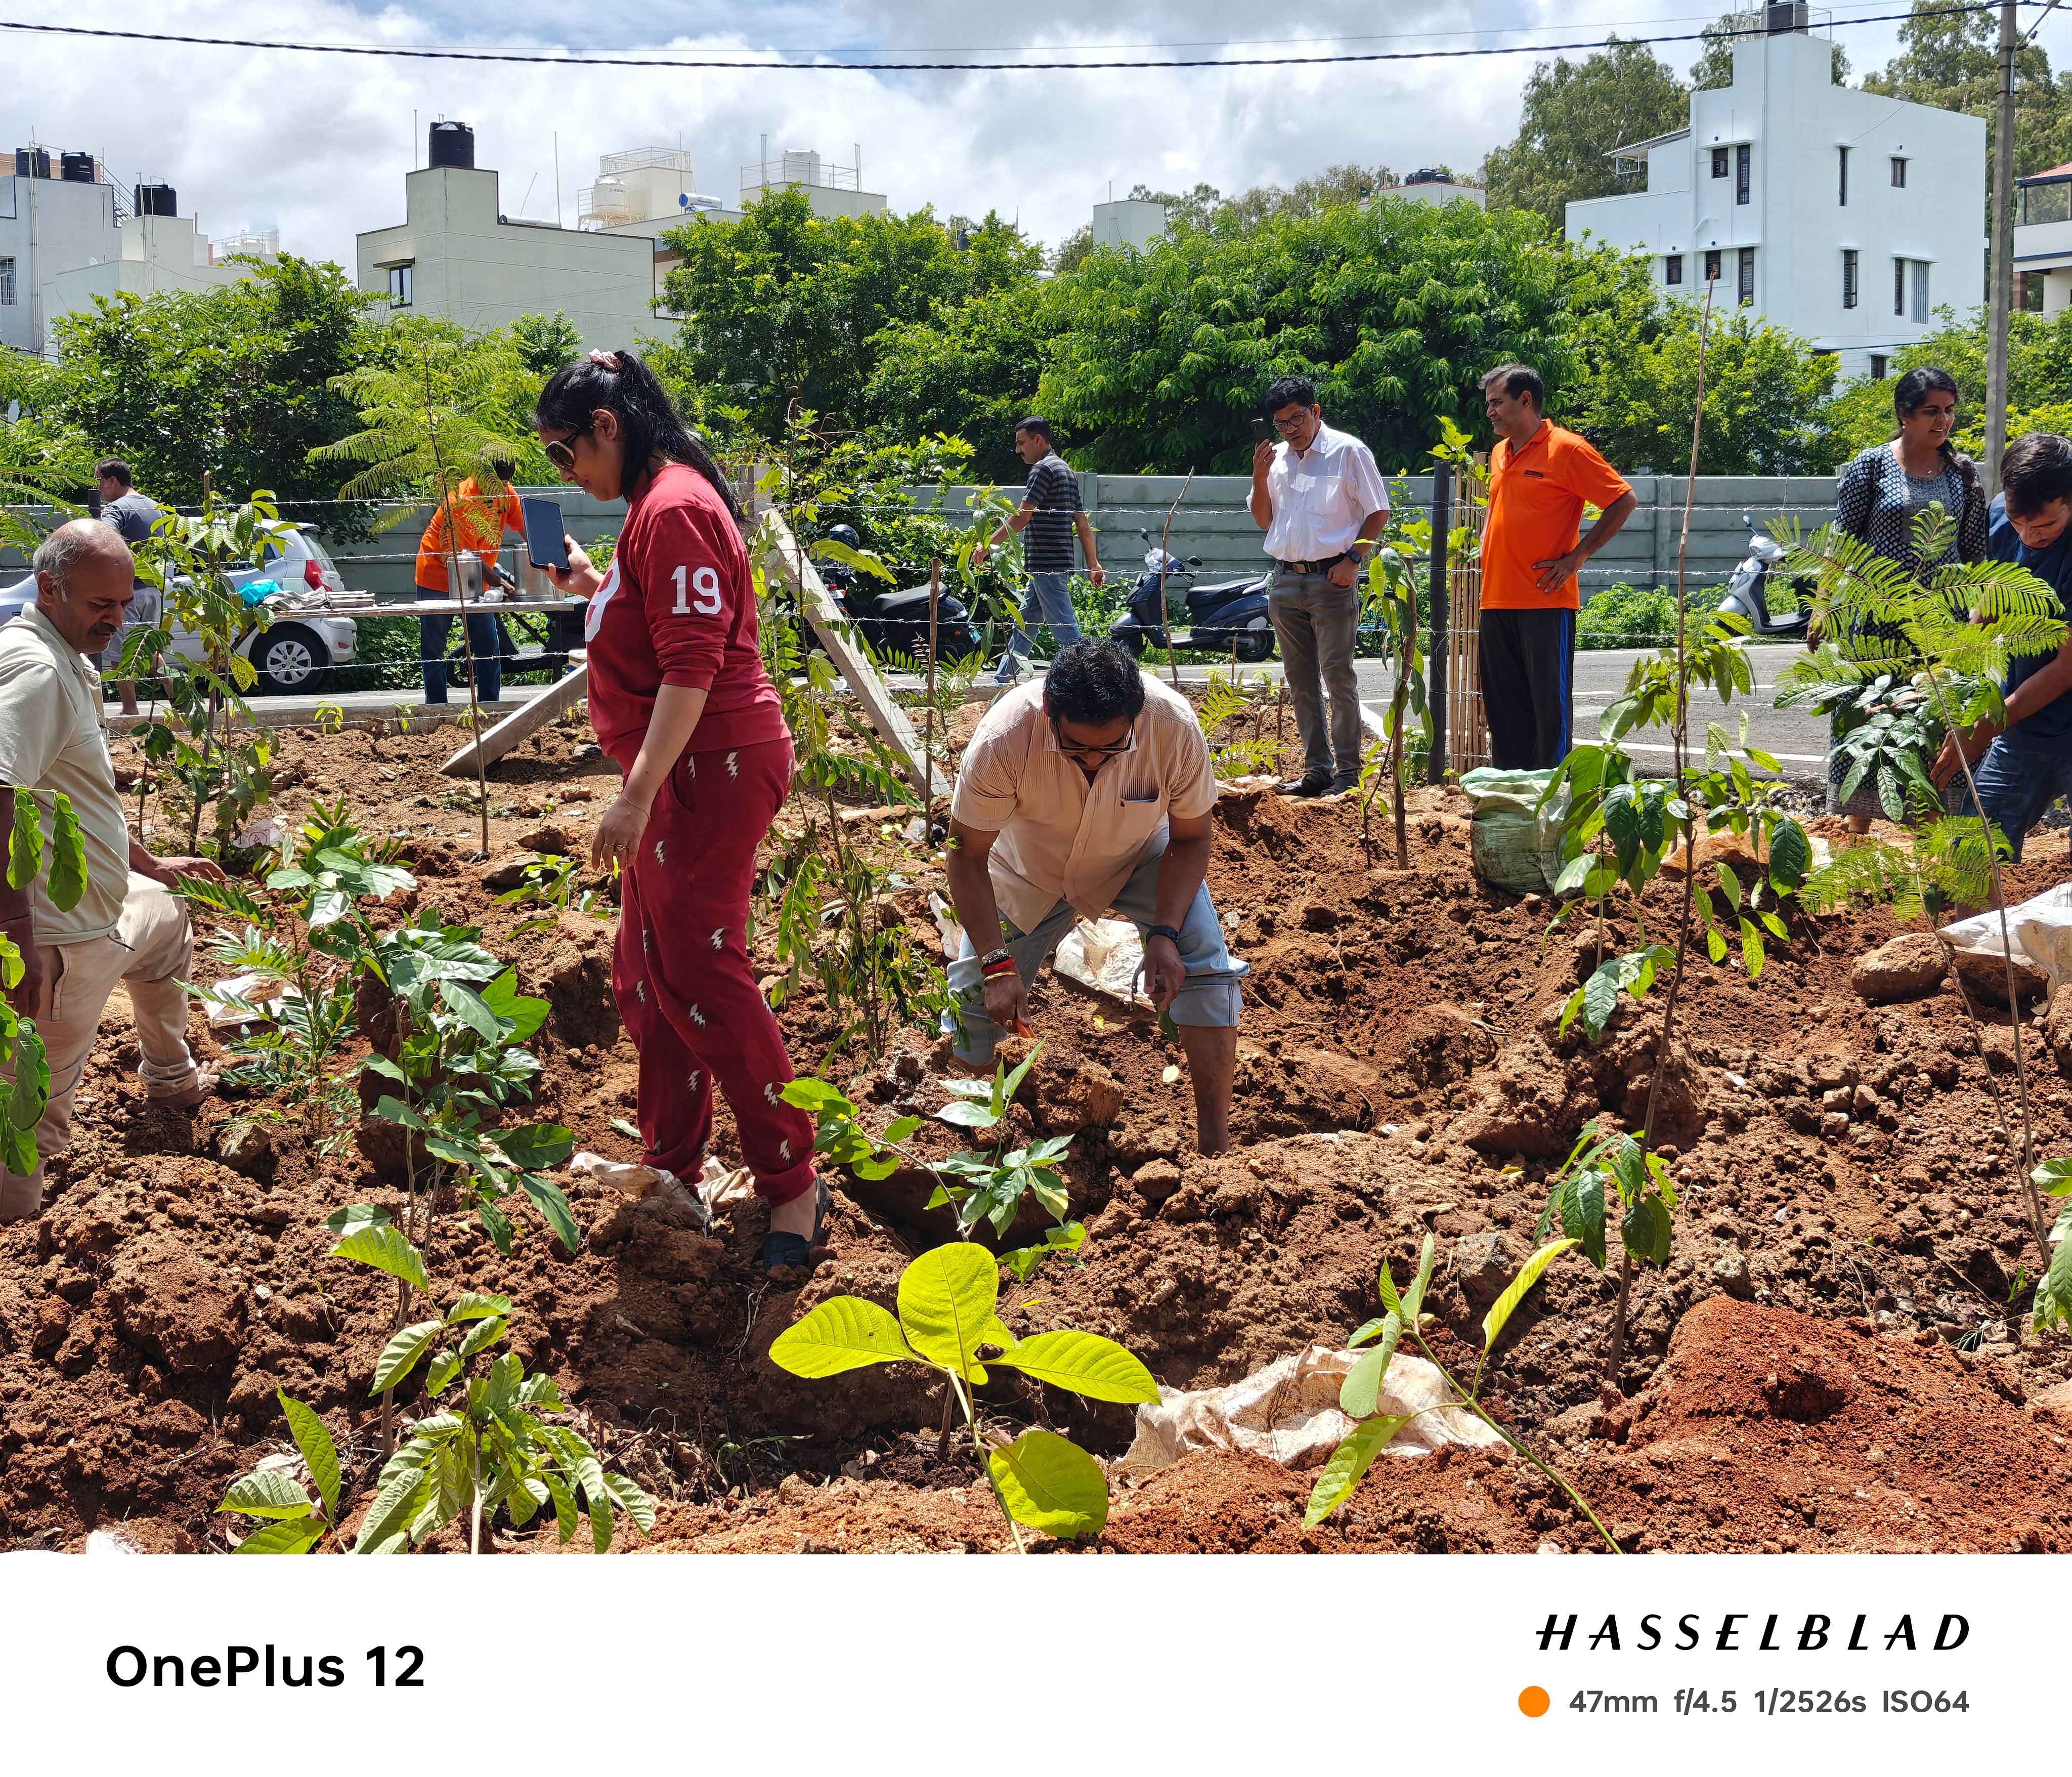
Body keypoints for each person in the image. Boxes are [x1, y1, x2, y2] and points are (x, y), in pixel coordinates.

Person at [535, 348, 824, 1275]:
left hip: (710, 766)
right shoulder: (651, 512)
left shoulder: (678, 508)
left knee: (700, 973)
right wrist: (591, 587)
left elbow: (695, 666)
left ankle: (793, 1182)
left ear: (607, 428)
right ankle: (673, 1167)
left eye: (564, 453)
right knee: (645, 974)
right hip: (687, 768)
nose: (567, 475)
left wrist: (636, 793)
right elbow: (663, 629)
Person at [942, 637, 1248, 1155]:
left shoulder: (1172, 727)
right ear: (1048, 712)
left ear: (1136, 716)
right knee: (974, 1000)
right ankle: (978, 1143)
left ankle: (1215, 1151)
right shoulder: (1004, 737)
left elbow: (1193, 837)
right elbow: (965, 854)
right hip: (1029, 872)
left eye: (1110, 749)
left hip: (1139, 856)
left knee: (1208, 971)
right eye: (1075, 747)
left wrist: (1166, 933)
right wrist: (997, 965)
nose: (1091, 761)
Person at [0, 520, 220, 1224]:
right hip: (57, 946)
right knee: (25, 1132)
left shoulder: (66, 657)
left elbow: (74, 795)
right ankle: (24, 1271)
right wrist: (16, 935)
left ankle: (170, 1076)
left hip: (106, 916)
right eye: (102, 605)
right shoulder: (34, 671)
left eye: (125, 604)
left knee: (168, 916)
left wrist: (152, 864)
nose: (117, 620)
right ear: (48, 589)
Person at [1833, 366, 1990, 830]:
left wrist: (1975, 619)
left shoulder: (1963, 473)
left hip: (1942, 622)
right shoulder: (1872, 465)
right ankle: (1858, 827)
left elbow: (1975, 552)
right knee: (1871, 717)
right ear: (1905, 415)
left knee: (1933, 719)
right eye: (1931, 412)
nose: (1943, 421)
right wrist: (1825, 605)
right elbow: (1842, 539)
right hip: (1878, 620)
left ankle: (1932, 823)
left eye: (1949, 411)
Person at [1476, 364, 1637, 772]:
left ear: (1525, 400)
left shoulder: (1568, 449)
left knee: (1549, 711)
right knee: (1505, 710)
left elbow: (1623, 501)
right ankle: (1514, 798)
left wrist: (1577, 557)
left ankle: (1553, 799)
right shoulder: (1499, 453)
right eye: (1488, 404)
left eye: (1497, 402)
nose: (1490, 412)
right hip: (1496, 599)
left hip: (1545, 599)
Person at [1930, 430, 2072, 870]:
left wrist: (1983, 730)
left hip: (2028, 711)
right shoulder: (1996, 517)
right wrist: (1953, 680)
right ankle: (1972, 941)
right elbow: (1992, 599)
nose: (2029, 536)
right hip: (2025, 723)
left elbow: (2067, 666)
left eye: (2045, 525)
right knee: (1971, 856)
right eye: (2018, 522)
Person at [1247, 374, 1390, 797]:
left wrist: (1353, 560)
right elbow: (1264, 521)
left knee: (1338, 677)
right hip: (1286, 579)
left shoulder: (1349, 451)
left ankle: (1348, 774)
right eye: (1281, 424)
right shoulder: (1276, 460)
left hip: (1333, 578)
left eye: (1297, 419)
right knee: (1300, 681)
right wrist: (1259, 477)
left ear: (1316, 412)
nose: (1291, 431)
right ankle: (1317, 772)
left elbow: (1378, 511)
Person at [970, 416, 1105, 685]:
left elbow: (1022, 517)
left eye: (1021, 443)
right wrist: (1093, 563)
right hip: (1056, 561)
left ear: (1038, 440)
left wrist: (988, 546)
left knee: (1066, 632)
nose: (1019, 450)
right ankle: (1002, 680)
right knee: (1027, 622)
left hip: (1047, 562)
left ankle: (1089, 683)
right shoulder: (1065, 470)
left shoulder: (1043, 470)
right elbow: (1082, 523)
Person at [413, 451, 526, 705]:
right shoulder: (462, 500)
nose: (503, 488)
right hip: (437, 576)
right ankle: (437, 708)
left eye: (507, 482)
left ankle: (489, 708)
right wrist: (502, 583)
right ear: (484, 475)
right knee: (434, 648)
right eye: (498, 483)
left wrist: (547, 555)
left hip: (476, 582)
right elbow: (469, 557)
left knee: (487, 645)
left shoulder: (506, 493)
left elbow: (525, 529)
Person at [91, 458, 161, 718]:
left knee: (121, 653)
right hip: (155, 589)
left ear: (112, 481)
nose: (98, 488)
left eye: (99, 480)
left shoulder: (117, 510)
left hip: (127, 593)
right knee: (151, 648)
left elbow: (106, 542)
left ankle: (130, 709)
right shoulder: (157, 508)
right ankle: (180, 702)